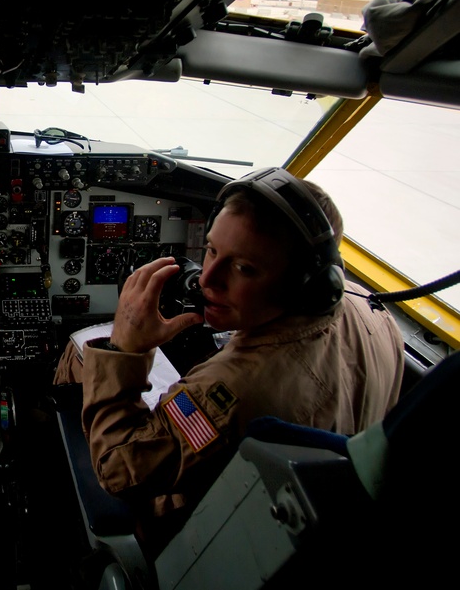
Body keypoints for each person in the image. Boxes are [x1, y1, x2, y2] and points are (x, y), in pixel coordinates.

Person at [56, 167, 404, 554]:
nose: (208, 279)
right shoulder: (374, 311)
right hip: (307, 516)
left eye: (244, 268)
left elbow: (118, 470)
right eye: (211, 250)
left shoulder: (231, 390)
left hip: (199, 530)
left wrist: (125, 348)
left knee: (85, 351)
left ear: (304, 281)